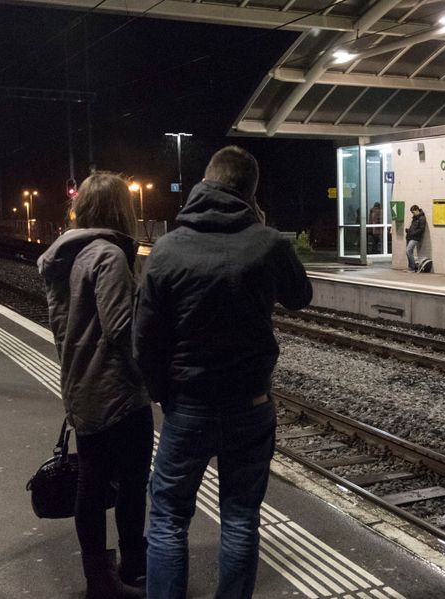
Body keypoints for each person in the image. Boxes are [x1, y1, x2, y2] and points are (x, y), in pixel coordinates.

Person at [134, 146, 312, 599]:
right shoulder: (268, 243)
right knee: (240, 517)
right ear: (250, 192)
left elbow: (144, 340)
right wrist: (262, 224)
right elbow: (300, 295)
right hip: (251, 407)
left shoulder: (168, 249)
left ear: (204, 184)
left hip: (188, 407)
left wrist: (164, 395)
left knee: (170, 518)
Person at [37, 173, 151, 599]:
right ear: (119, 211)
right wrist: (152, 377)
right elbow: (122, 330)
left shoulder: (64, 257)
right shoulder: (108, 256)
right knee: (131, 484)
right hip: (118, 392)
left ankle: (97, 579)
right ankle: (134, 567)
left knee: (92, 482)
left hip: (81, 386)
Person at [405, 204, 426, 272]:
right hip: (410, 236)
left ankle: (413, 267)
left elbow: (421, 229)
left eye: (413, 212)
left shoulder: (422, 218)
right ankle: (411, 267)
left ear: (417, 210)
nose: (413, 214)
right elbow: (413, 227)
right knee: (409, 252)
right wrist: (408, 231)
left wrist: (413, 233)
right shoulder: (415, 217)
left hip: (415, 238)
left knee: (408, 251)